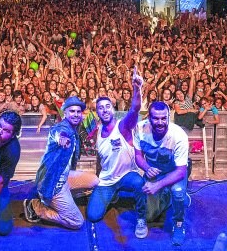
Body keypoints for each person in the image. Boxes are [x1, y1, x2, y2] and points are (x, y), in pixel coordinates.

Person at [86, 68, 147, 238]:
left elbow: (134, 109)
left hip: (128, 175)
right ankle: (112, 195)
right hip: (108, 180)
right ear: (97, 112)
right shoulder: (97, 131)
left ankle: (141, 218)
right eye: (100, 108)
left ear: (112, 109)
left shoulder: (123, 126)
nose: (104, 110)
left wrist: (137, 88)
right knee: (93, 216)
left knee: (139, 184)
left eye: (107, 107)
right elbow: (101, 158)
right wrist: (99, 177)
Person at [24, 96, 99, 229]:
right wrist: (62, 139)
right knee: (77, 222)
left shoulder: (76, 130)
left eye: (78, 111)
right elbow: (58, 134)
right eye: (72, 111)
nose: (75, 114)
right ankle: (36, 207)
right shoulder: (61, 128)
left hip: (64, 177)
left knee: (94, 181)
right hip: (53, 183)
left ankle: (62, 200)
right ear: (65, 113)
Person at [134, 101, 190, 246]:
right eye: (155, 118)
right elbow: (138, 156)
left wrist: (157, 185)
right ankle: (169, 199)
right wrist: (146, 167)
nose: (160, 122)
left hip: (174, 172)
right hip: (153, 172)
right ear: (149, 117)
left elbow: (181, 172)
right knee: (150, 216)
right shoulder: (140, 129)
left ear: (168, 117)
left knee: (177, 191)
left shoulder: (179, 135)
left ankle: (178, 223)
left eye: (163, 118)